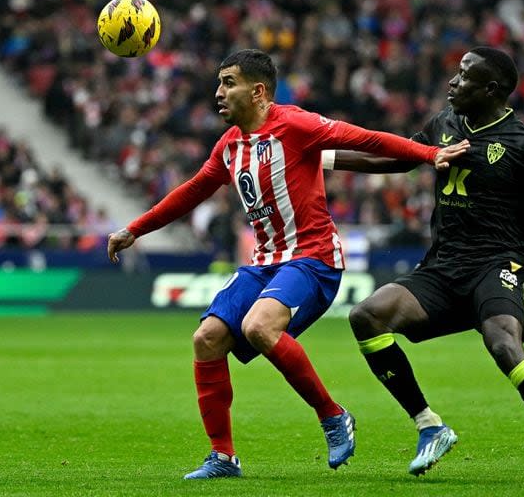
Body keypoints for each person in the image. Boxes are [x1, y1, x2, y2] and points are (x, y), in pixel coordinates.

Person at [106, 49, 469, 480]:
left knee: (259, 327)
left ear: (258, 92)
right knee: (206, 338)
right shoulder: (229, 145)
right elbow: (192, 191)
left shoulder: (296, 125)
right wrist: (136, 229)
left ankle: (333, 417)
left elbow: (365, 138)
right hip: (264, 263)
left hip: (313, 259)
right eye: (219, 83)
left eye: (228, 83)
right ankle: (223, 457)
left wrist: (429, 155)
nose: (218, 93)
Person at [325, 46, 524, 485]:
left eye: (464, 76)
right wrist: (322, 158)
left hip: (499, 264)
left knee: (503, 345)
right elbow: (399, 158)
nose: (452, 82)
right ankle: (429, 425)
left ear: (491, 89)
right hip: (443, 267)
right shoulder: (444, 124)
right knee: (368, 315)